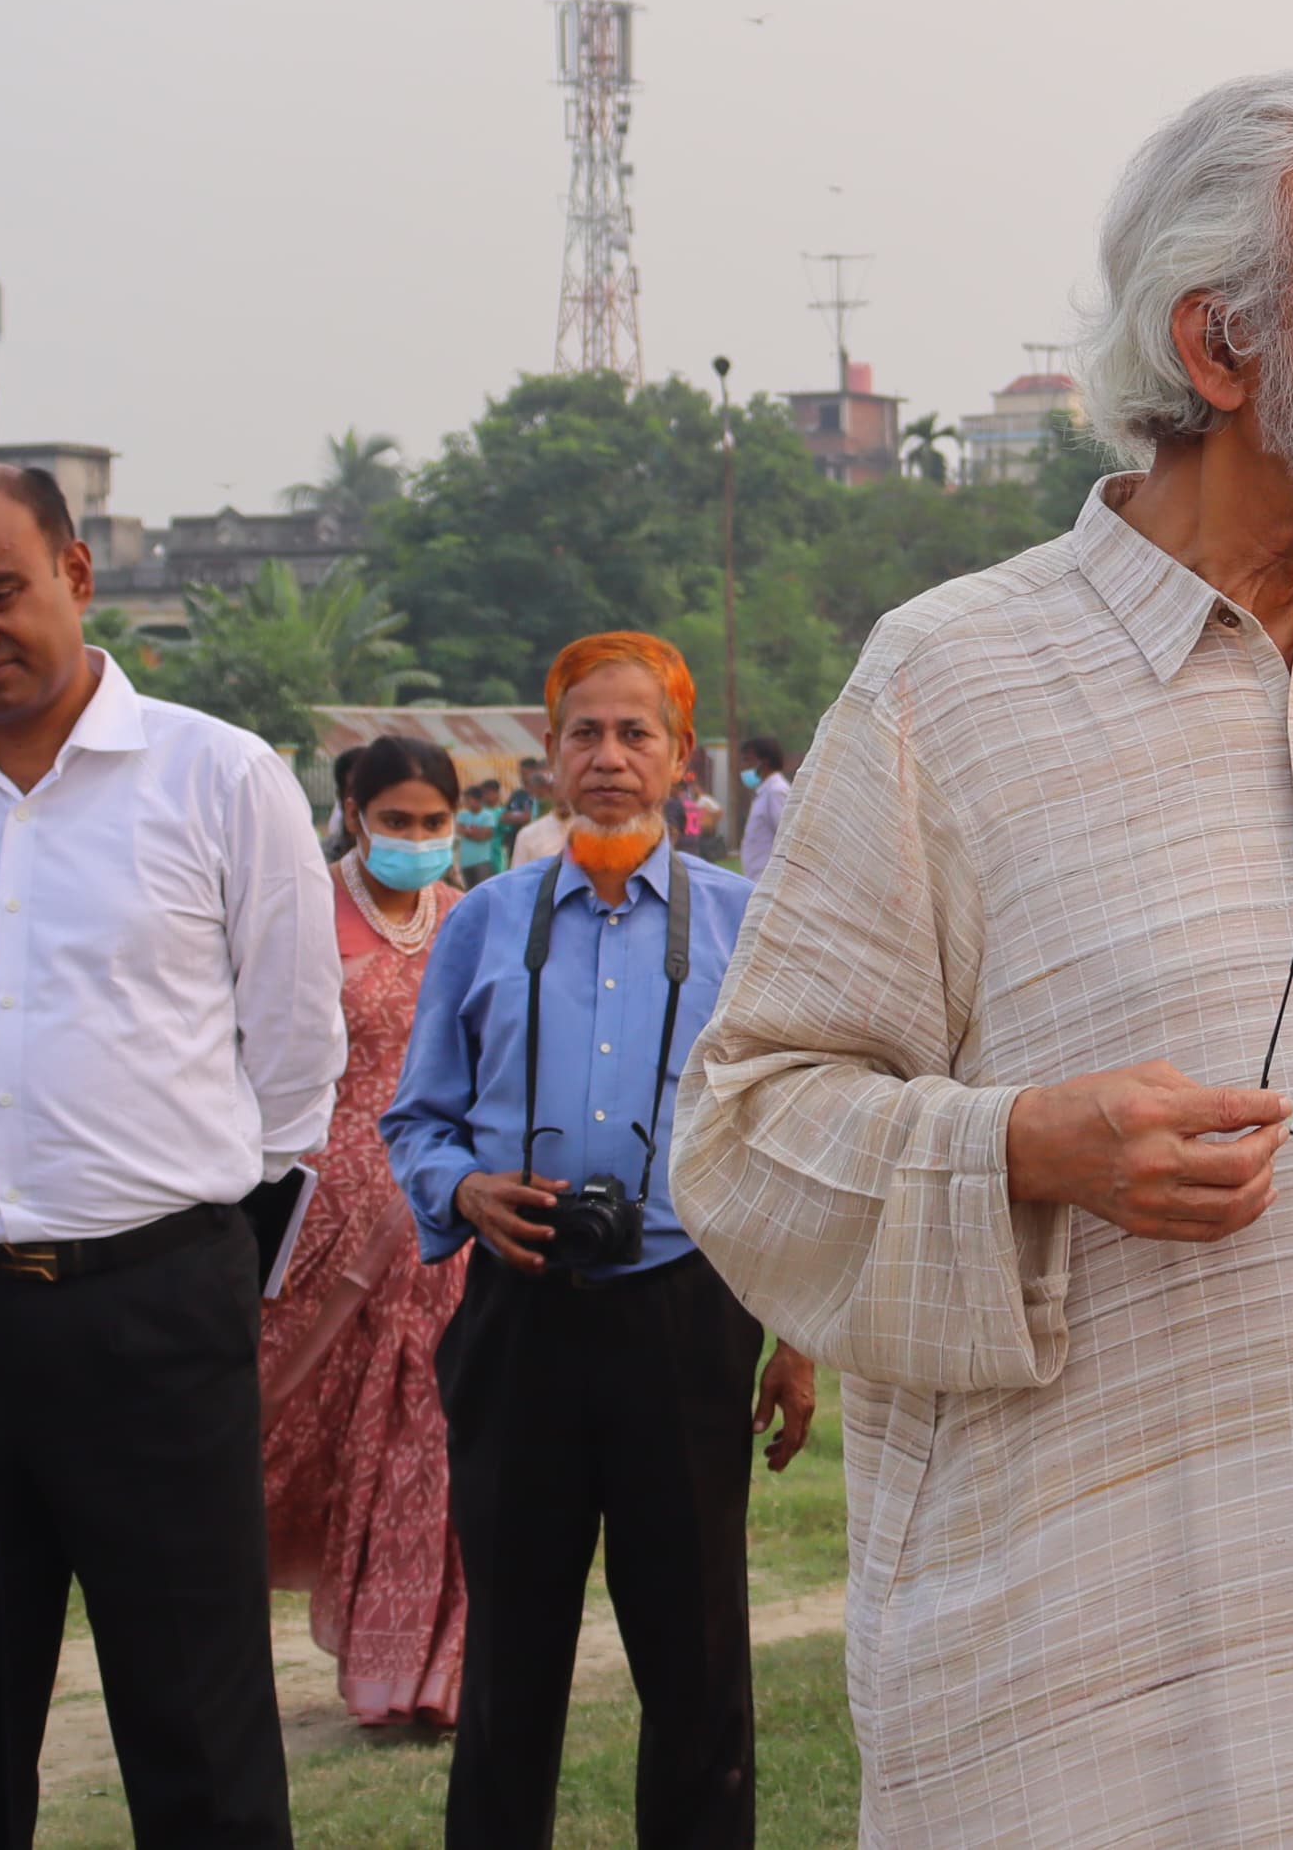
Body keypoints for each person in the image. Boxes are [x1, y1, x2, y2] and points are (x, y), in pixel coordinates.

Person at [673, 70, 1293, 1847]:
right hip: (1090, 1663)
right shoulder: (948, 682)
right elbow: (748, 1130)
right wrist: (1035, 1145)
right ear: (1220, 345)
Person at [0, 461, 342, 1850]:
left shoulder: (220, 778)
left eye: (0, 593)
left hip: (156, 1312)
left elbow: (296, 1064)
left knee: (197, 1720)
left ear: (78, 576)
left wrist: (225, 1277)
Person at [383, 633, 811, 1850]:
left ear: (682, 758)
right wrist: (465, 1190)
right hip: (520, 1315)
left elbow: (788, 1136)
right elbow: (416, 1116)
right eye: (585, 732)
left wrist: (796, 1336)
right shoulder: (483, 922)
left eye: (636, 734)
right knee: (510, 1664)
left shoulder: (745, 925)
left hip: (688, 1314)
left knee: (696, 1664)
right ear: (550, 753)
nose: (609, 756)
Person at [258, 734, 476, 1731]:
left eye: (434, 823)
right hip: (325, 1222)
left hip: (440, 1222)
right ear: (352, 809)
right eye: (397, 821)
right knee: (322, 1435)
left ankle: (424, 1675)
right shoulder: (304, 913)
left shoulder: (471, 917)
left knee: (428, 1442)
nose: (417, 840)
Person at [733, 734, 792, 881]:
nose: (743, 766)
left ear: (763, 763)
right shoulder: (764, 792)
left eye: (747, 760)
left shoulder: (776, 792)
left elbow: (785, 836)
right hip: (756, 878)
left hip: (769, 880)